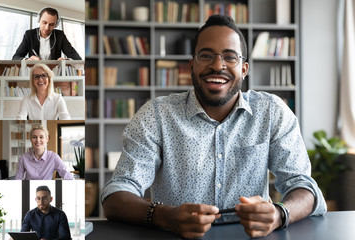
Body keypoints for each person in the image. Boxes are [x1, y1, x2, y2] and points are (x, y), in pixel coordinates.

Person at [101, 15, 327, 239]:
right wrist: (165, 217)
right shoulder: (157, 115)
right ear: (191, 65)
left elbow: (304, 187)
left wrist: (279, 214)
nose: (218, 65)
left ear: (244, 69)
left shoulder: (271, 111)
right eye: (206, 55)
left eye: (230, 57)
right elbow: (116, 195)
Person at [12, 7, 81, 60]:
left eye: (51, 24)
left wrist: (67, 61)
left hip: (54, 73)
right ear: (39, 20)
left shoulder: (60, 35)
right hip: (34, 72)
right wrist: (27, 60)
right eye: (44, 22)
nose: (47, 28)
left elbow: (77, 58)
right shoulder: (29, 34)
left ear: (56, 25)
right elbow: (16, 57)